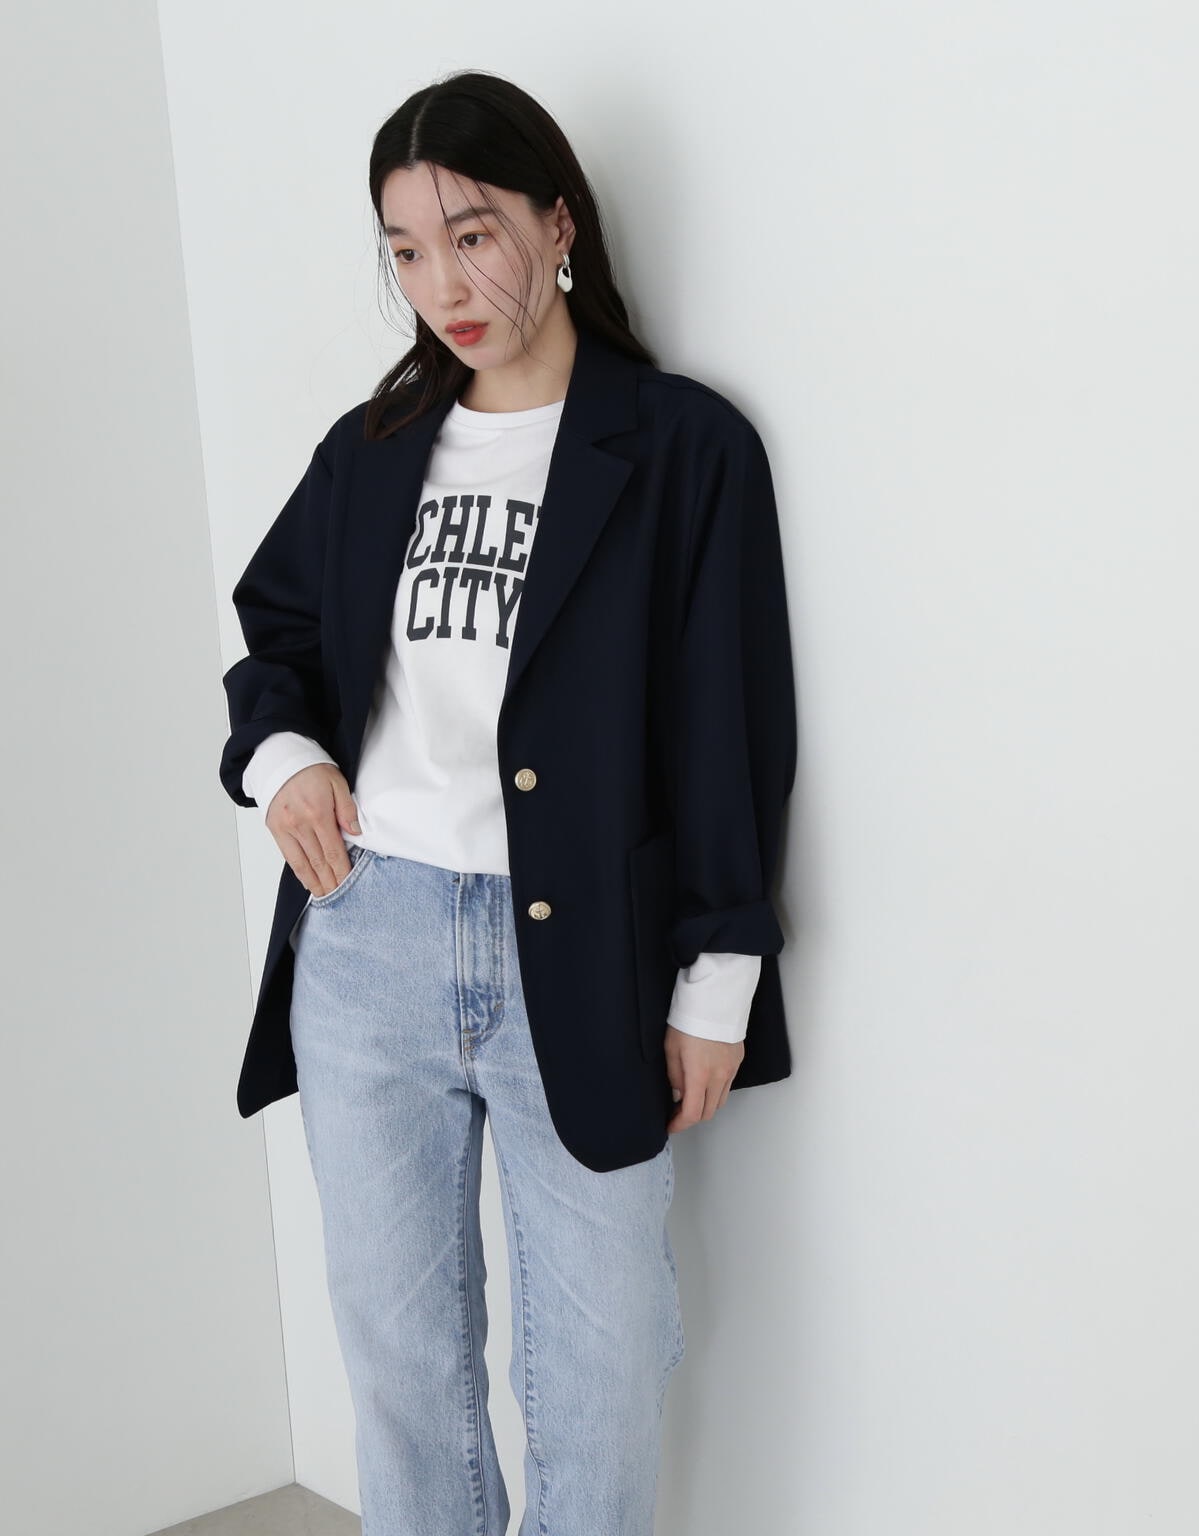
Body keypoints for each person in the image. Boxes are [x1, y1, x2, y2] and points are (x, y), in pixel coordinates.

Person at [219, 69, 797, 1536]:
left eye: (472, 234)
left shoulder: (682, 449)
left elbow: (733, 726)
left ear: (559, 221)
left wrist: (719, 973)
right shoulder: (374, 448)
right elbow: (275, 633)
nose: (442, 286)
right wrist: (286, 763)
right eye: (408, 250)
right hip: (368, 938)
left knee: (602, 1370)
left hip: (589, 953)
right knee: (404, 1374)